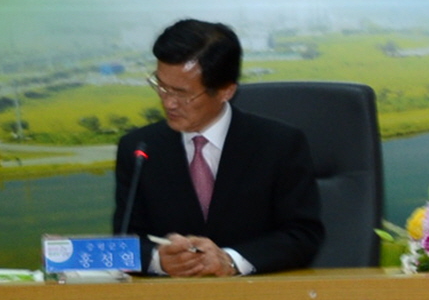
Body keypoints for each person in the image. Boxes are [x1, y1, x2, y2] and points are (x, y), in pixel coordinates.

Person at [114, 20, 324, 277]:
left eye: (182, 93)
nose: (168, 103)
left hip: (256, 294)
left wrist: (231, 261)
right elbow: (125, 239)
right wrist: (159, 260)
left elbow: (303, 235)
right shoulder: (139, 148)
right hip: (170, 296)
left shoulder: (279, 144)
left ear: (226, 90)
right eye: (161, 86)